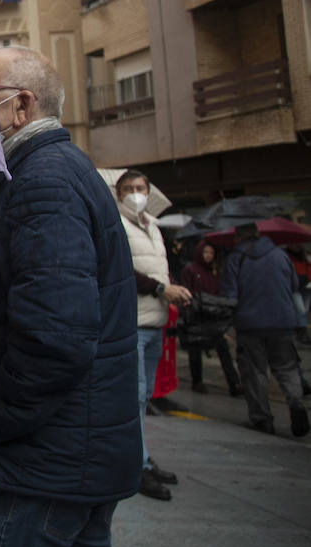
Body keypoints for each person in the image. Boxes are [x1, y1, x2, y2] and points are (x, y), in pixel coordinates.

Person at [0, 48, 140, 547]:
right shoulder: (44, 174)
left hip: (41, 462)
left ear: (20, 105)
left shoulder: (43, 183)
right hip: (67, 456)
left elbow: (56, 341)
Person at [113, 168, 190, 501]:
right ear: (119, 195)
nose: (135, 193)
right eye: (128, 188)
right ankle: (134, 467)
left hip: (155, 323)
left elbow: (160, 267)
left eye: (140, 187)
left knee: (143, 398)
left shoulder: (153, 227)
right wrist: (162, 288)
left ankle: (141, 458)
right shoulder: (116, 225)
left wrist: (172, 291)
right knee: (133, 396)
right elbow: (121, 271)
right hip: (132, 323)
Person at [220, 222, 309, 437]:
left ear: (238, 237)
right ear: (259, 234)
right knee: (287, 368)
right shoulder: (280, 255)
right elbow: (294, 285)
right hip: (283, 323)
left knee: (255, 372)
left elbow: (230, 295)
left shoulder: (236, 258)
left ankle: (262, 419)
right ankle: (296, 403)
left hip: (250, 325)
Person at [178, 241, 241, 396]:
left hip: (213, 316)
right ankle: (197, 381)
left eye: (211, 253)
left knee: (223, 349)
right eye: (205, 252)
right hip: (196, 316)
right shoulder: (191, 270)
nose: (208, 256)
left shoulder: (215, 273)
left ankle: (234, 383)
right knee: (195, 351)